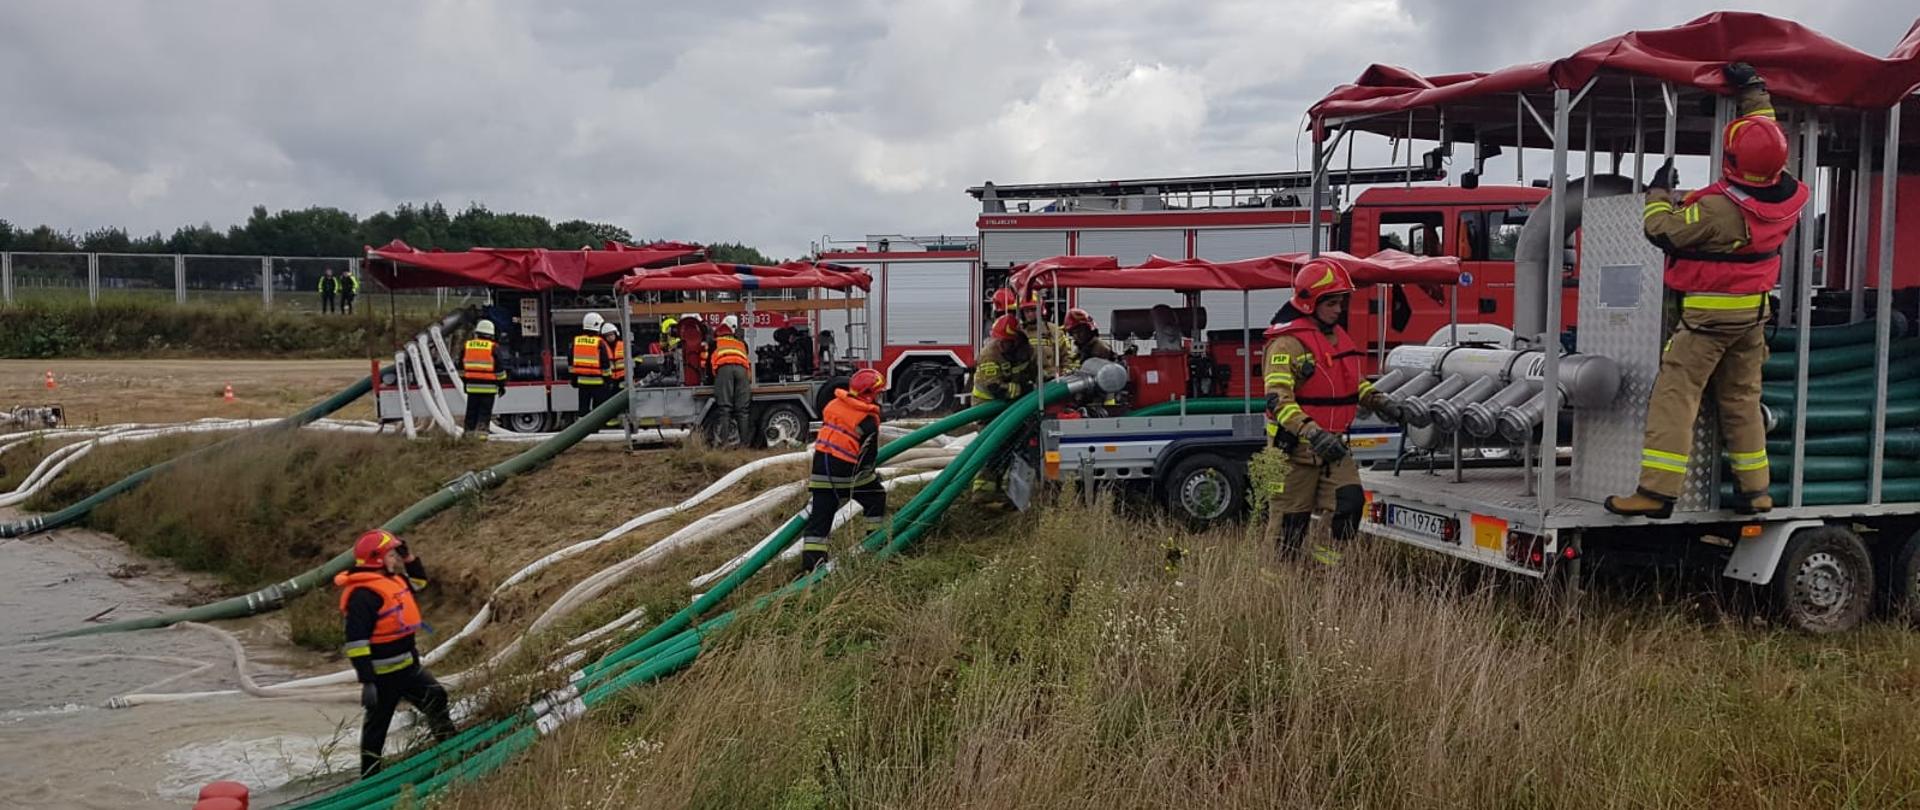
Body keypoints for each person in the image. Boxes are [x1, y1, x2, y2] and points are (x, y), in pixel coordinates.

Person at [1606, 63, 1809, 519]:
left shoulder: (1717, 210)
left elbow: (1660, 231)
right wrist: (1754, 90)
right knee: (1741, 401)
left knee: (1675, 396)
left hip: (1705, 324)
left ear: (1732, 161)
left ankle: (1656, 493)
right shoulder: (1787, 196)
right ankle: (1756, 492)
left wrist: (1658, 192)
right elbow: (1766, 136)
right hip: (1752, 321)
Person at [1261, 260, 1393, 561]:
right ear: (1310, 302)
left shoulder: (1334, 338)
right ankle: (1279, 584)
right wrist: (1311, 431)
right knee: (1289, 527)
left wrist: (1377, 400)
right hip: (1293, 450)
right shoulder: (1286, 344)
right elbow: (1278, 398)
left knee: (1347, 506)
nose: (1338, 310)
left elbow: (1350, 382)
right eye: (1331, 303)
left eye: (1341, 302)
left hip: (1333, 446)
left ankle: (1325, 574)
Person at [337, 529, 457, 778]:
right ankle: (370, 778)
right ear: (377, 559)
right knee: (376, 730)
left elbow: (420, 583)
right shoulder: (362, 596)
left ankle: (450, 748)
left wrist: (409, 557)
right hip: (382, 677)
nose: (396, 559)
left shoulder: (395, 581)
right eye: (392, 555)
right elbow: (356, 643)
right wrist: (367, 681)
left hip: (409, 669)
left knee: (436, 698)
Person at [800, 368, 889, 573]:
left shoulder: (833, 405)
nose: (880, 398)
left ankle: (811, 570)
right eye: (879, 393)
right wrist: (872, 476)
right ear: (870, 394)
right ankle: (874, 544)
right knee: (876, 496)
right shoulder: (867, 422)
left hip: (820, 470)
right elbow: (867, 458)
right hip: (846, 475)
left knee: (818, 524)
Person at [969, 315, 1033, 499]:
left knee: (1014, 446)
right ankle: (983, 492)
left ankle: (1005, 488)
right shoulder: (990, 354)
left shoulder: (1024, 350)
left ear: (1015, 341)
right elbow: (996, 388)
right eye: (998, 340)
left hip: (1014, 408)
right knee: (992, 448)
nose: (1000, 344)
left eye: (1004, 341)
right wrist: (1024, 389)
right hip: (988, 407)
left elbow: (1032, 370)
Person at [459, 319, 509, 435]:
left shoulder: (467, 346)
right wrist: (502, 385)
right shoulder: (493, 347)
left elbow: (460, 368)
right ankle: (481, 437)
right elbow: (499, 370)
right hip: (489, 388)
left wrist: (465, 382)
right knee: (484, 414)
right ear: (491, 335)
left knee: (471, 412)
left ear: (477, 333)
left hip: (472, 387)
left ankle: (468, 435)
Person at [709, 314, 752, 447]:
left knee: (725, 408)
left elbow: (709, 364)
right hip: (742, 370)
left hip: (724, 370)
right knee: (742, 410)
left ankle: (724, 444)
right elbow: (747, 356)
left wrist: (711, 380)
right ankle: (744, 445)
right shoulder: (740, 343)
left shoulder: (716, 342)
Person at [1017, 290, 1077, 376]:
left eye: (1033, 310)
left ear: (1041, 310)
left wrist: (1064, 374)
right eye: (1027, 311)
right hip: (1027, 380)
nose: (1030, 314)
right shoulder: (1018, 333)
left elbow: (1066, 356)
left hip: (1051, 380)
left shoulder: (1054, 331)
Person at [570, 312, 614, 420]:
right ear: (597, 325)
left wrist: (573, 379)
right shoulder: (599, 342)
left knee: (583, 408)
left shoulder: (576, 341)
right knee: (597, 409)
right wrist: (608, 380)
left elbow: (571, 363)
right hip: (598, 382)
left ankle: (582, 429)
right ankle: (595, 428)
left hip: (582, 382)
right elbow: (605, 364)